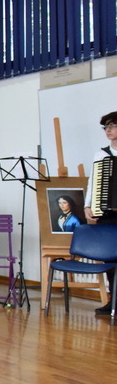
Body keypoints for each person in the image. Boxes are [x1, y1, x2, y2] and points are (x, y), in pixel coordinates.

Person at [84, 110, 117, 314]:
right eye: (106, 127)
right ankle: (114, 302)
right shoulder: (101, 155)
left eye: (112, 126)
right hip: (108, 214)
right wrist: (88, 205)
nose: (108, 130)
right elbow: (93, 182)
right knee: (110, 259)